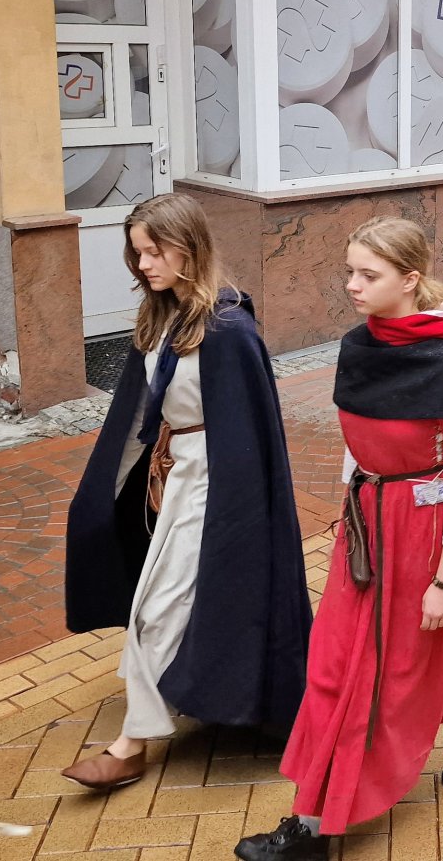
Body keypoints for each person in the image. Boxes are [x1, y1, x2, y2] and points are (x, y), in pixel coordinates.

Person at [237, 218, 443, 860]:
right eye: (350, 272)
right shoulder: (360, 346)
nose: (353, 286)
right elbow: (357, 437)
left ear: (409, 279)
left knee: (392, 666)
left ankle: (314, 825)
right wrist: (349, 513)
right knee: (339, 664)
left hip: (430, 536)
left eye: (369, 274)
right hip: (368, 525)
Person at [63, 194, 312, 790]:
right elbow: (139, 413)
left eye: (155, 251)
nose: (144, 264)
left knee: (159, 606)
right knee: (166, 600)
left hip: (217, 485)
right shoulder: (161, 317)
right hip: (176, 476)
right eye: (138, 253)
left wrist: (234, 513)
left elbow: (248, 435)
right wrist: (109, 491)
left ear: (189, 247)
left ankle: (131, 744)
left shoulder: (227, 331)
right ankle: (186, 695)